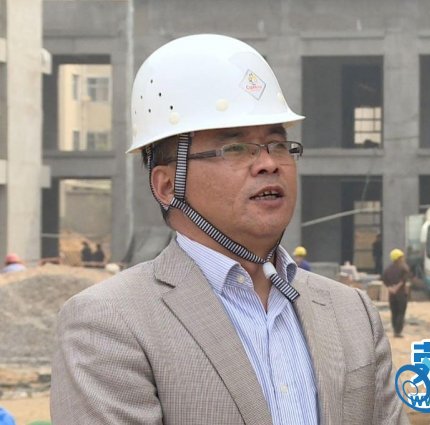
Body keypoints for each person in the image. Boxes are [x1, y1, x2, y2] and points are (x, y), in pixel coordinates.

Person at [51, 34, 409, 424]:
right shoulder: (109, 322)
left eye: (278, 145)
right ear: (167, 185)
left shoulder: (352, 312)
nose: (269, 163)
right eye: (236, 148)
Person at [382, 248, 411, 338]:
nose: (403, 259)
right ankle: (398, 331)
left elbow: (384, 280)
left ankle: (395, 330)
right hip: (401, 294)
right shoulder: (404, 268)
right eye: (401, 257)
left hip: (392, 294)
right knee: (401, 312)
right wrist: (396, 288)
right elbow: (403, 280)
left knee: (394, 312)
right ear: (398, 258)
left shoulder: (388, 269)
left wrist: (391, 288)